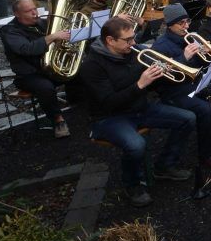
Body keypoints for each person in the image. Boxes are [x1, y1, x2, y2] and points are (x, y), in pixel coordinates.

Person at [79, 17, 196, 207]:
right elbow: (109, 102)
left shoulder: (133, 53)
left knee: (187, 118)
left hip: (139, 108)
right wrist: (141, 84)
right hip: (109, 117)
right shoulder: (91, 66)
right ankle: (132, 185)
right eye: (128, 40)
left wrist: (161, 73)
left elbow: (151, 85)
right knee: (136, 145)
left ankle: (165, 165)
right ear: (110, 40)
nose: (133, 43)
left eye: (133, 37)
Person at [150, 3, 211, 165]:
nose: (186, 26)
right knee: (206, 109)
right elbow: (159, 80)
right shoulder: (160, 46)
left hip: (197, 82)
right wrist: (184, 58)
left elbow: (203, 65)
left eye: (187, 21)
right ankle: (207, 155)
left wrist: (205, 53)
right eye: (181, 23)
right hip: (174, 90)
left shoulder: (190, 38)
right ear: (169, 25)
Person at [0, 0, 71, 138]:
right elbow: (26, 49)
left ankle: (81, 104)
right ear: (17, 14)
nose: (35, 13)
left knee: (81, 71)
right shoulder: (9, 31)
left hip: (51, 68)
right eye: (29, 11)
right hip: (29, 74)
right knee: (45, 87)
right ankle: (58, 120)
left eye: (34, 9)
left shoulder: (42, 23)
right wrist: (52, 37)